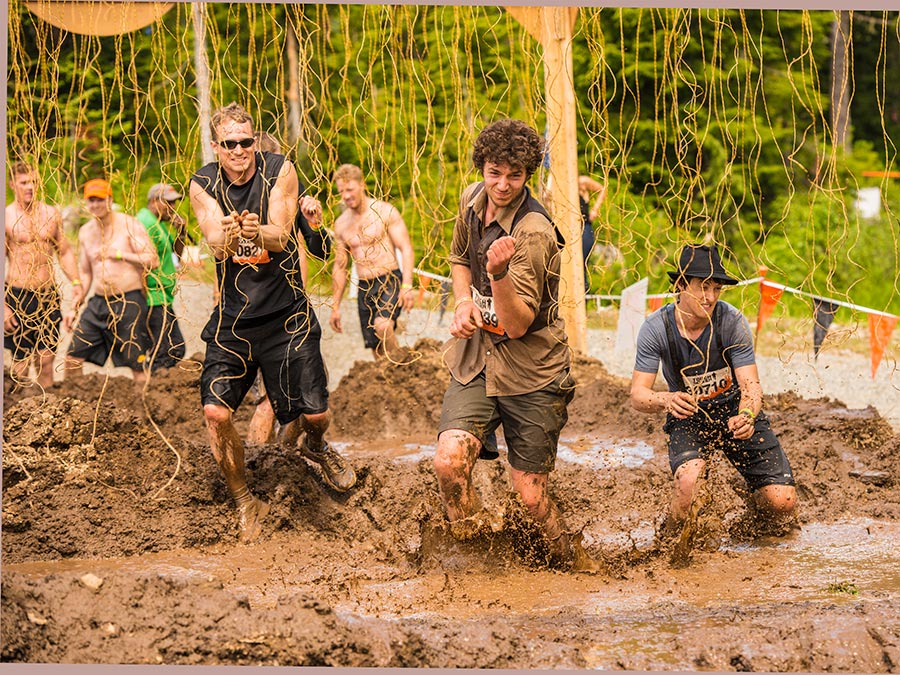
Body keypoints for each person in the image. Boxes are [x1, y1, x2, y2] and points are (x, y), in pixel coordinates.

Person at [189, 102, 357, 543]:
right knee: (214, 411)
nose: (239, 150)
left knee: (315, 414)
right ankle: (246, 501)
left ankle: (316, 446)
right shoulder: (203, 182)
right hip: (234, 321)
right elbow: (213, 239)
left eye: (246, 142)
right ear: (216, 147)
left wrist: (257, 231)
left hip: (287, 315)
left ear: (255, 143)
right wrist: (229, 234)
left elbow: (285, 236)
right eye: (230, 144)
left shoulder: (281, 170)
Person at [432, 119, 582, 569]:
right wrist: (463, 303)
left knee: (530, 495)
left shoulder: (533, 231)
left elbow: (517, 325)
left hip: (532, 369)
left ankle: (573, 563)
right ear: (482, 167)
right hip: (479, 360)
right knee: (448, 462)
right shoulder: (471, 200)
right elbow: (459, 258)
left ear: (527, 175)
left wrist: (498, 274)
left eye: (514, 176)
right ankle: (480, 562)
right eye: (494, 172)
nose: (501, 185)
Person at [629, 244, 798, 535]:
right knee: (689, 483)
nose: (710, 297)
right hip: (688, 415)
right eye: (703, 287)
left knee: (782, 501)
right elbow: (638, 395)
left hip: (734, 410)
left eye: (716, 289)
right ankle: (671, 536)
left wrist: (747, 414)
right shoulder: (656, 328)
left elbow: (751, 385)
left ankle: (754, 521)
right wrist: (667, 399)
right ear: (681, 285)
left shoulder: (732, 322)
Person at [64, 178, 159, 386]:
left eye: (100, 199)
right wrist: (74, 307)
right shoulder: (85, 231)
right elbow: (86, 273)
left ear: (110, 199)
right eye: (91, 200)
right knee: (72, 358)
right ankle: (75, 403)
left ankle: (144, 403)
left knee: (137, 364)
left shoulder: (129, 224)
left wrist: (119, 254)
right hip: (98, 302)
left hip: (129, 301)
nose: (95, 205)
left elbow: (152, 260)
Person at [4, 161, 85, 388]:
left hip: (47, 295)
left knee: (46, 361)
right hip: (17, 296)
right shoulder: (6, 216)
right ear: (12, 185)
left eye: (33, 182)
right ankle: (19, 406)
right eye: (23, 182)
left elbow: (64, 251)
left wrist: (76, 282)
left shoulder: (50, 214)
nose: (30, 187)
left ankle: (46, 406)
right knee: (20, 363)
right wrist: (4, 306)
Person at [330, 164, 415, 360]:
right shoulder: (341, 224)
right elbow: (340, 266)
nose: (346, 196)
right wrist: (335, 307)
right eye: (341, 191)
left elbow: (406, 248)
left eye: (350, 189)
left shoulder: (384, 211)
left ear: (361, 185)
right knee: (375, 348)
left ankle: (401, 367)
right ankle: (388, 376)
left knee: (382, 326)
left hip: (389, 279)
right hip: (364, 286)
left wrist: (407, 285)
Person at [136, 182, 188, 371]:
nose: (173, 208)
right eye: (169, 203)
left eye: (174, 203)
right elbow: (140, 263)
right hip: (152, 298)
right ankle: (150, 383)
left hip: (162, 297)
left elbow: (175, 256)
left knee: (174, 349)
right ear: (154, 201)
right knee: (166, 351)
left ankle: (151, 380)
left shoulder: (158, 223)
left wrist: (181, 232)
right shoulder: (145, 222)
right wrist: (141, 301)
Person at [578, 175, 606, 292]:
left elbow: (602, 189)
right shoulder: (558, 186)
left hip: (584, 228)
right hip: (569, 231)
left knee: (581, 265)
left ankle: (584, 297)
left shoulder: (581, 182)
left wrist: (595, 210)